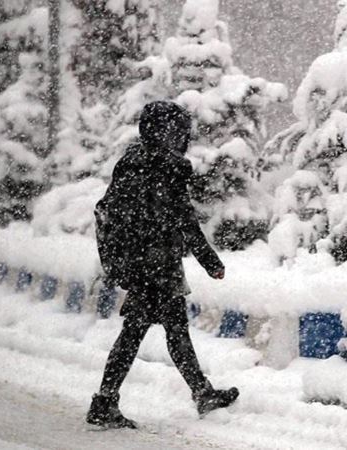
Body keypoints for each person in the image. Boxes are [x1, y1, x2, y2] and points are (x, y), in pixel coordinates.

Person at [87, 101, 239, 429]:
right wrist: (210, 261)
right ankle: (106, 400)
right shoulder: (165, 167)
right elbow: (184, 219)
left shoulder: (130, 162)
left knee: (162, 328)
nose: (183, 136)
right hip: (156, 264)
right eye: (179, 130)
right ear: (167, 132)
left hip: (137, 261)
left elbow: (119, 211)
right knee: (149, 331)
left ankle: (198, 392)